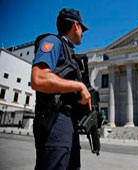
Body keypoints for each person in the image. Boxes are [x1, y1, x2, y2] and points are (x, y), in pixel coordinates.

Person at [31, 8, 91, 170]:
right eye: (82, 29)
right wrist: (79, 86)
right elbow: (39, 79)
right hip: (55, 121)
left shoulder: (71, 54)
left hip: (69, 124)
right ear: (75, 26)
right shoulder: (53, 42)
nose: (83, 33)